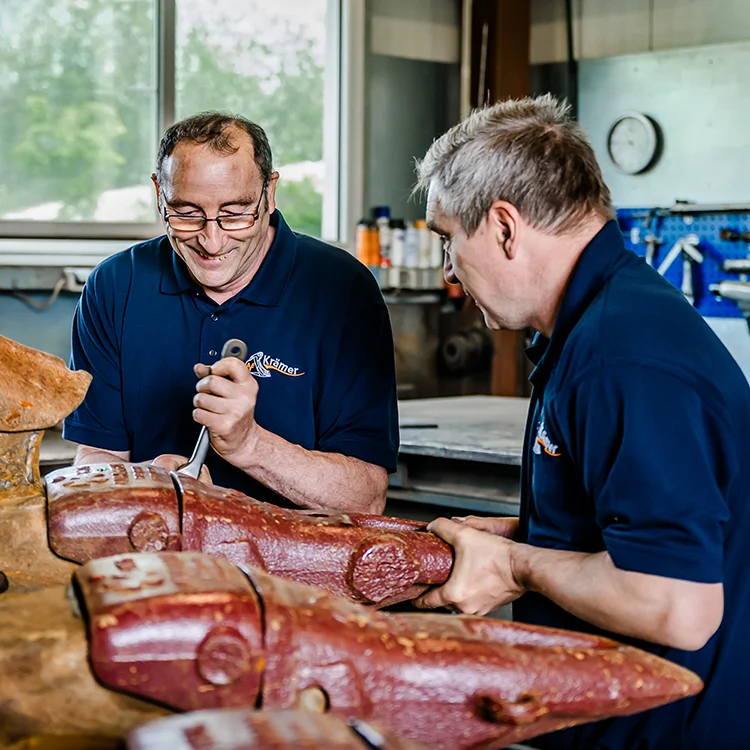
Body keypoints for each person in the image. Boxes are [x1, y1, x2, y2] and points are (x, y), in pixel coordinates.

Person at [412, 94, 749, 750]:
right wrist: (533, 534)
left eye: (448, 240)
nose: (449, 272)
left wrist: (516, 564)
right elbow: (631, 530)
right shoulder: (593, 325)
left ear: (505, 227)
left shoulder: (623, 354)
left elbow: (677, 605)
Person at [63, 112, 398, 513]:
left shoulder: (343, 291)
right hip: (160, 563)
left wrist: (250, 445)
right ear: (159, 193)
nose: (212, 239)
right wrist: (149, 480)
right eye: (186, 213)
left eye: (236, 213)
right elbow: (96, 458)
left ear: (269, 193)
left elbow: (366, 500)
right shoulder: (116, 286)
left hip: (294, 565)